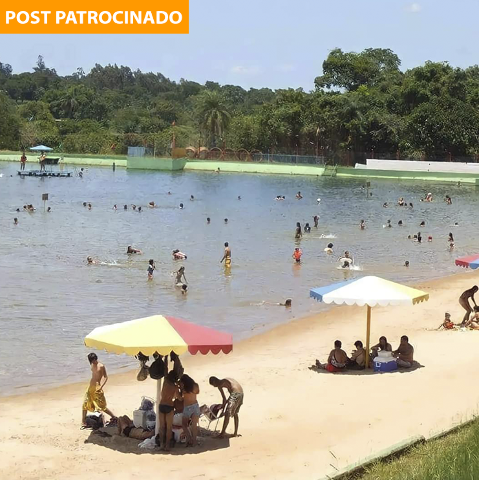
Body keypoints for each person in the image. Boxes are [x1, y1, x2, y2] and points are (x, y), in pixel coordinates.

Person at [82, 353, 116, 428]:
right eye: (91, 361)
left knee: (101, 406)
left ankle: (113, 416)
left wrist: (101, 387)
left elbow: (105, 377)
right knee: (85, 404)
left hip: (97, 388)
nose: (92, 362)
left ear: (95, 358)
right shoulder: (92, 365)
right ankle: (83, 422)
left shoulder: (101, 366)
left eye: (93, 360)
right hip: (90, 387)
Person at [158, 357, 179, 451]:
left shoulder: (165, 382)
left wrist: (166, 357)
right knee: (169, 427)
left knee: (162, 427)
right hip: (170, 406)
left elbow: (165, 368)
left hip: (162, 405)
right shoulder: (175, 387)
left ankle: (161, 444)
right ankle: (167, 446)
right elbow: (179, 397)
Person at [179, 374, 200, 446]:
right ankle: (194, 441)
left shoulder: (184, 388)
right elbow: (197, 392)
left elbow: (181, 397)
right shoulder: (195, 385)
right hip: (195, 406)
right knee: (194, 426)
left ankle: (188, 438)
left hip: (187, 407)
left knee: (184, 425)